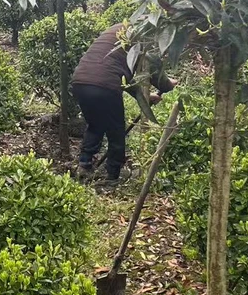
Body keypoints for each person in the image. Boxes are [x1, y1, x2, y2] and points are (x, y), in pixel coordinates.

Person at [71, 25, 175, 187]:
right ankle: (112, 177)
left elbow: (118, 72)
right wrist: (168, 85)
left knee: (95, 125)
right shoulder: (141, 34)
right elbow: (153, 68)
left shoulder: (116, 31)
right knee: (116, 131)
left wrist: (146, 97)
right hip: (105, 84)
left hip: (80, 82)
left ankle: (84, 165)